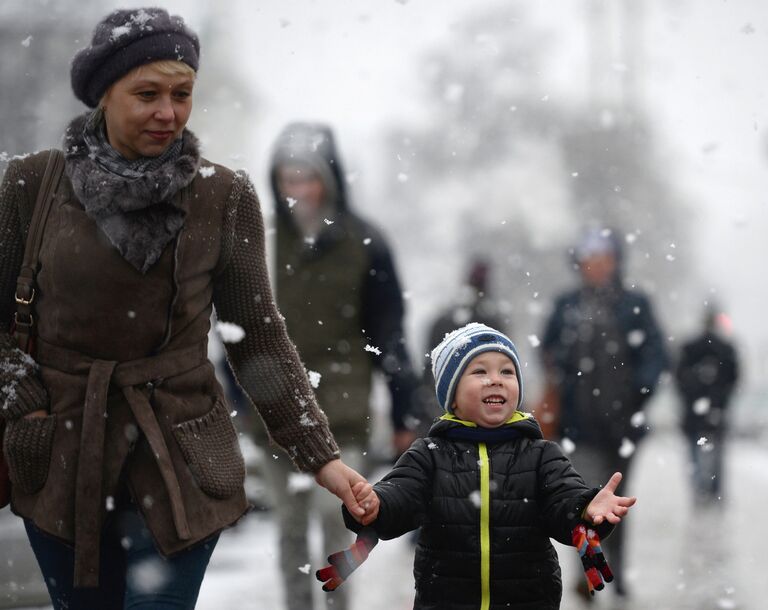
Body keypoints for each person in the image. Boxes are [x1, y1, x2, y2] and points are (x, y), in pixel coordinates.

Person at [0, 8, 374, 609]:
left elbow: (256, 338)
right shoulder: (30, 186)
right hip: (63, 464)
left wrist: (322, 459)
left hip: (178, 465)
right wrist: (24, 405)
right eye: (146, 94)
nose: (168, 112)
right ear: (103, 94)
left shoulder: (222, 196)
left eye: (182, 94)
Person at [327, 323, 636, 609]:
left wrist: (586, 506)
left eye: (507, 371)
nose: (496, 380)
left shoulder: (541, 455)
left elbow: (564, 500)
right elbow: (401, 495)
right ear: (453, 397)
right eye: (479, 372)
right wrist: (376, 504)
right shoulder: (429, 454)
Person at [251, 121, 420, 610]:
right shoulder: (258, 242)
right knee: (287, 531)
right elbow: (233, 328)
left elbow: (390, 335)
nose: (298, 190)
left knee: (335, 523)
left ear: (329, 178)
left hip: (343, 414)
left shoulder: (366, 243)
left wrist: (406, 410)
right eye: (288, 178)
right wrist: (238, 396)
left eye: (308, 177)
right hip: (275, 416)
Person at [540, 227, 668, 597]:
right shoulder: (566, 306)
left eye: (603, 258)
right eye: (589, 258)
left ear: (615, 262)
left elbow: (656, 355)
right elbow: (547, 352)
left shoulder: (634, 304)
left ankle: (618, 570)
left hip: (622, 428)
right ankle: (588, 575)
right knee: (583, 501)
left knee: (617, 505)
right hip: (577, 427)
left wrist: (637, 393)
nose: (596, 266)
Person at [674, 306, 739, 503]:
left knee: (698, 455)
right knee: (715, 455)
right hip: (714, 412)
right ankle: (711, 491)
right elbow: (733, 378)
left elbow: (680, 378)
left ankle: (701, 489)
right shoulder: (725, 349)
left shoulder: (691, 347)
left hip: (697, 413)